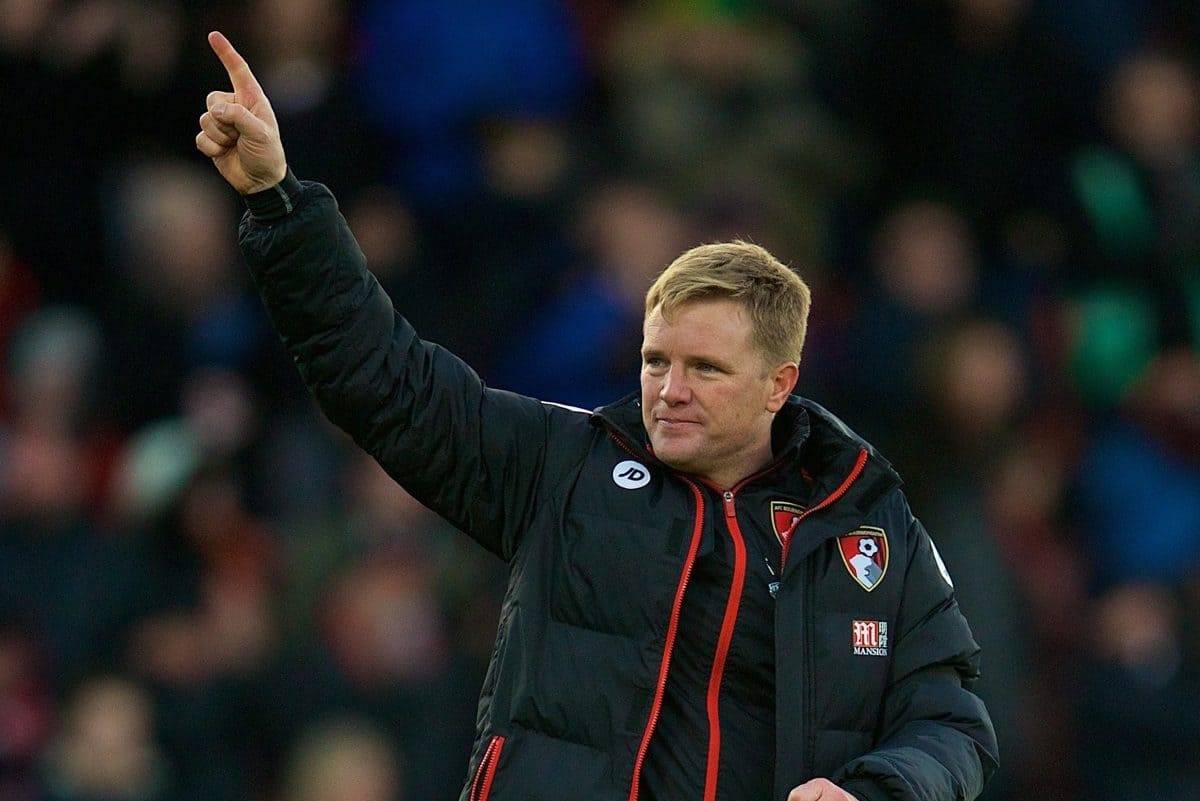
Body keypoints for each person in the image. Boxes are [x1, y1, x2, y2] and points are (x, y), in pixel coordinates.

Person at [195, 31, 997, 801]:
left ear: (777, 383)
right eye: (656, 361)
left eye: (705, 369)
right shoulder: (566, 465)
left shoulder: (868, 526)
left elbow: (951, 722)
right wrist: (282, 203)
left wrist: (878, 788)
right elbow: (384, 381)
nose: (669, 389)